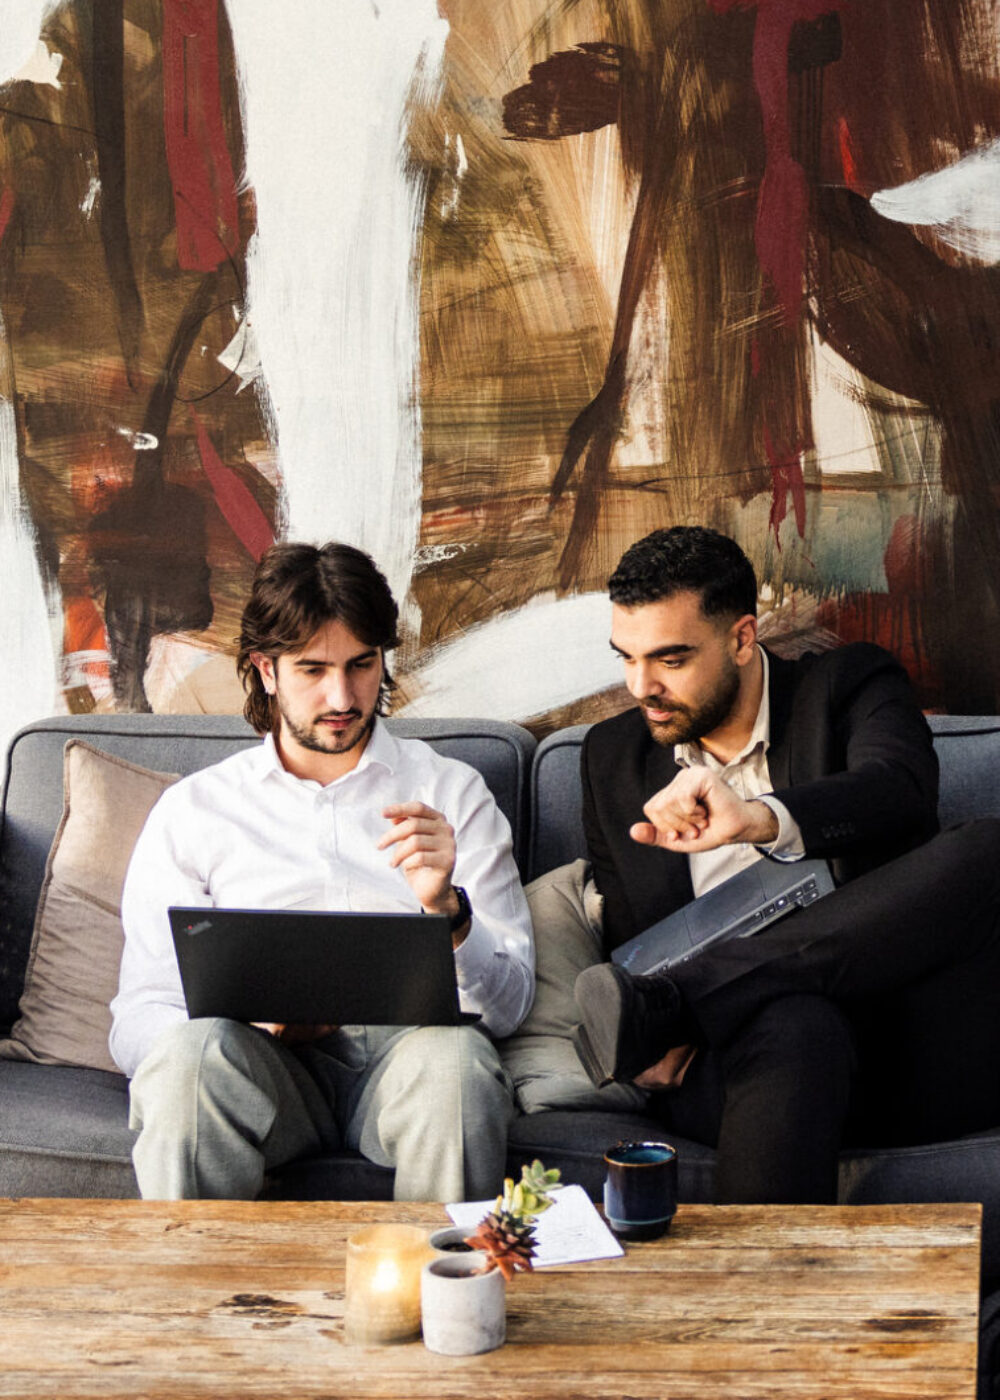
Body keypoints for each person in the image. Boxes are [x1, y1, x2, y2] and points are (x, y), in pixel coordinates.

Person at [573, 525, 1000, 1203]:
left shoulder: (850, 684)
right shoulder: (610, 758)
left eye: (670, 660)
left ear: (742, 638)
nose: (640, 686)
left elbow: (899, 792)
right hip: (743, 1065)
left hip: (894, 1041)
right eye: (626, 657)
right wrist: (656, 1031)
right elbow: (632, 941)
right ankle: (763, 1286)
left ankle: (694, 992)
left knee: (988, 849)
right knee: (793, 1020)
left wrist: (760, 818)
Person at [109, 541, 533, 1203]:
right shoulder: (196, 810)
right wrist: (248, 1026)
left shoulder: (451, 793)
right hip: (261, 1073)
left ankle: (443, 1273)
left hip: (410, 1067)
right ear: (266, 670)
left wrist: (448, 913)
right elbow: (139, 1015)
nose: (343, 696)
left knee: (458, 1064)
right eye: (313, 669)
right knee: (187, 1061)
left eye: (362, 664)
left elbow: (508, 1009)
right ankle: (193, 1272)